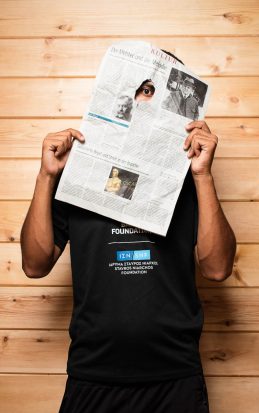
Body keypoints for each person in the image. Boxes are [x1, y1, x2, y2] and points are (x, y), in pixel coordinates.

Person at [20, 50, 236, 413]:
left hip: (175, 377)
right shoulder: (77, 172)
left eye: (156, 90)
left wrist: (202, 175)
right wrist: (47, 177)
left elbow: (216, 268)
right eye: (141, 88)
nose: (145, 99)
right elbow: (34, 264)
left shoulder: (191, 180)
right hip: (93, 375)